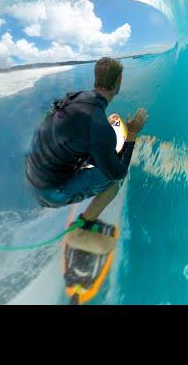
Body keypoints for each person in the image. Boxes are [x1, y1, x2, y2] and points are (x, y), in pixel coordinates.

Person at [25, 57, 148, 254]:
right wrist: (132, 133)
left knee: (94, 149)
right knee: (111, 184)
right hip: (49, 192)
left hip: (33, 170)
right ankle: (80, 232)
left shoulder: (77, 97)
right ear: (119, 81)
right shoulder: (98, 125)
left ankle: (79, 175)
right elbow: (118, 172)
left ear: (95, 80)